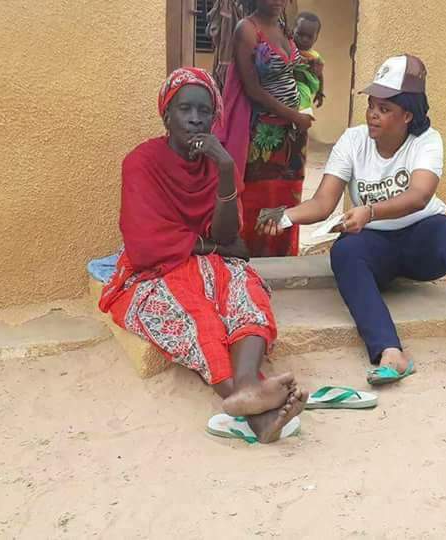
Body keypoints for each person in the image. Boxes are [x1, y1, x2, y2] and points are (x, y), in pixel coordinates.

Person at [256, 55, 446, 394]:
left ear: (407, 115)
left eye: (384, 109)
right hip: (376, 248)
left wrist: (368, 212)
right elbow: (324, 203)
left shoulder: (427, 141)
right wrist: (284, 216)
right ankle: (390, 352)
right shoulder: (353, 141)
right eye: (371, 105)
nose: (372, 114)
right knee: (345, 252)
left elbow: (420, 196)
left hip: (421, 242)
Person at [99, 67, 308, 443]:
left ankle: (249, 386)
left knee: (246, 291)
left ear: (214, 118)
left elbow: (228, 236)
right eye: (185, 109)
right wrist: (213, 247)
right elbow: (145, 245)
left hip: (213, 264)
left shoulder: (219, 161)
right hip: (153, 273)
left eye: (204, 110)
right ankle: (256, 412)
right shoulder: (140, 162)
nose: (195, 118)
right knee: (197, 316)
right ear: (166, 115)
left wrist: (226, 169)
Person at [218, 0, 314, 258]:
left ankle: (283, 264)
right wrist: (294, 115)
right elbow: (252, 89)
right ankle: (253, 266)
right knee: (258, 202)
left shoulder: (284, 26)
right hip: (263, 135)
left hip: (293, 135)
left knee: (288, 200)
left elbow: (292, 73)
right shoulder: (247, 29)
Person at [293, 12, 325, 112]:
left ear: (316, 38)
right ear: (292, 30)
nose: (304, 39)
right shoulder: (288, 48)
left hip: (303, 93)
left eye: (309, 37)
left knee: (303, 113)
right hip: (283, 91)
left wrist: (320, 92)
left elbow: (320, 75)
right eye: (300, 34)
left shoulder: (314, 57)